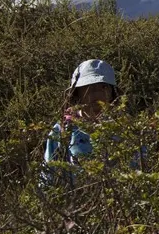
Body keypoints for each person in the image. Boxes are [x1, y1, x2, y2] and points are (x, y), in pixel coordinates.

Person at [40, 59, 128, 187]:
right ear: (77, 93)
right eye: (89, 88)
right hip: (75, 202)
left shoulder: (124, 128)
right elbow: (48, 175)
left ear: (112, 93)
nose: (97, 94)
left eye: (103, 87)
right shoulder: (63, 129)